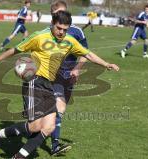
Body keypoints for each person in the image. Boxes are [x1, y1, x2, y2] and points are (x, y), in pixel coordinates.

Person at [0, 10, 119, 159]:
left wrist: (106, 64)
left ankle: (18, 157)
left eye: (65, 29)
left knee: (49, 127)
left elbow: (87, 54)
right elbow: (15, 49)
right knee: (35, 126)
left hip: (49, 85)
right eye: (59, 28)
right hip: (34, 82)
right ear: (52, 24)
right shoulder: (39, 36)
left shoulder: (69, 41)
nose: (61, 32)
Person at [49, 0, 89, 156]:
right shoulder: (47, 32)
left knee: (58, 111)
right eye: (57, 14)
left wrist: (77, 69)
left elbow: (85, 54)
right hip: (53, 76)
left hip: (69, 76)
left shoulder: (77, 32)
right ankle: (55, 146)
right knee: (60, 108)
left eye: (63, 13)